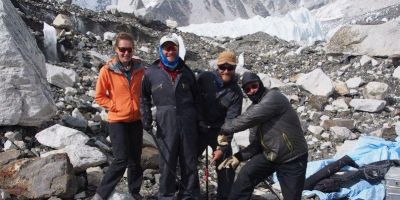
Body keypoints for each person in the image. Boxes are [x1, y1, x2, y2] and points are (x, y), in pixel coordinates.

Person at [217, 72, 308, 200]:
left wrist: (223, 130)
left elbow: (247, 119)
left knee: (291, 197)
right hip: (271, 156)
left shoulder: (274, 97)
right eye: (247, 89)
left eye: (254, 86)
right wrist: (238, 156)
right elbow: (256, 145)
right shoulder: (253, 109)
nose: (252, 91)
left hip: (292, 158)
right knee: (246, 174)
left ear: (260, 84)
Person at [140, 34, 200, 200]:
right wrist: (145, 117)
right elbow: (143, 96)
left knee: (189, 161)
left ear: (177, 49)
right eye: (166, 48)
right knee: (167, 161)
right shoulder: (151, 73)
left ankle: (189, 195)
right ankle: (166, 195)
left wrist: (199, 121)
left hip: (187, 122)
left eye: (173, 47)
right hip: (165, 122)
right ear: (161, 50)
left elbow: (197, 98)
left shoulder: (186, 72)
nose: (170, 51)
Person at [93, 32, 144, 200]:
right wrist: (115, 106)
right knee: (121, 159)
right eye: (122, 49)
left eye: (129, 49)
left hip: (135, 120)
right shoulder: (107, 70)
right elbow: (99, 96)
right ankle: (101, 194)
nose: (126, 53)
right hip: (117, 121)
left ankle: (134, 192)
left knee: (135, 159)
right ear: (116, 49)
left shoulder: (140, 68)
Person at [196, 51, 243, 199]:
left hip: (220, 132)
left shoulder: (236, 93)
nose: (226, 71)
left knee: (226, 166)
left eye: (230, 67)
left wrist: (222, 148)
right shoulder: (204, 78)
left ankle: (224, 196)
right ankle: (190, 193)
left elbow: (231, 121)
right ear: (217, 66)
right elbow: (192, 100)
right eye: (223, 67)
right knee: (188, 161)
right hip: (199, 128)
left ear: (235, 68)